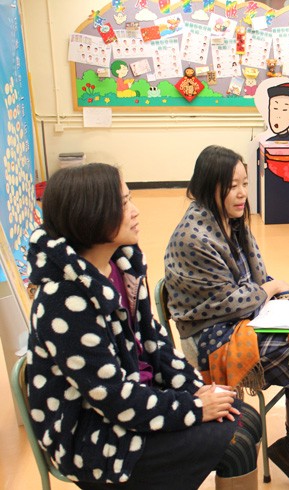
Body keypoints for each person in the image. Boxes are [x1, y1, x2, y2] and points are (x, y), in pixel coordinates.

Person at [25, 163, 262, 489]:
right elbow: (113, 399)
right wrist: (193, 407)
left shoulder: (123, 266)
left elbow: (157, 346)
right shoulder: (62, 299)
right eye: (123, 203)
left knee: (244, 418)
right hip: (93, 436)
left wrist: (194, 388)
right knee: (235, 444)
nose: (135, 211)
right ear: (90, 214)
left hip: (136, 398)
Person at [164, 145, 289, 490]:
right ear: (208, 185)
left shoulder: (231, 220)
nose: (241, 193)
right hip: (211, 332)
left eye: (245, 183)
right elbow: (227, 302)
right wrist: (272, 289)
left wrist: (285, 295)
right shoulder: (194, 236)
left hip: (245, 315)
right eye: (232, 185)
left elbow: (256, 278)